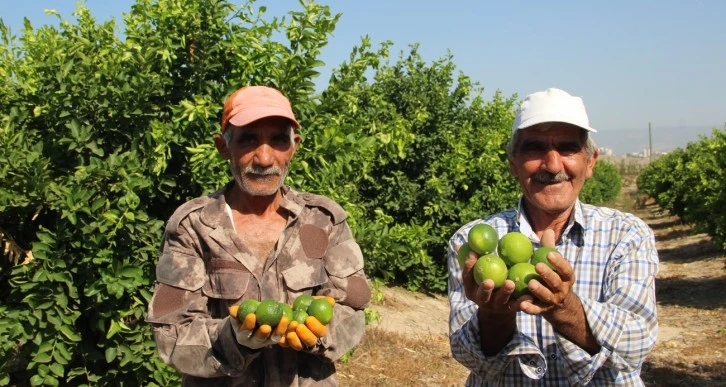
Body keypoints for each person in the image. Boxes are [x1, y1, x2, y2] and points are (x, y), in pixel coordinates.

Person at [147, 85, 371, 386]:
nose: (264, 159)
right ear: (223, 147)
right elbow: (171, 333)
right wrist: (235, 339)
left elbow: (353, 308)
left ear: (294, 146)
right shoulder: (194, 226)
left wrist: (319, 334)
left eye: (278, 140)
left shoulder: (322, 220)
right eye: (248, 140)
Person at [448, 88, 659, 385]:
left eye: (568, 148)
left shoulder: (627, 235)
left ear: (591, 162)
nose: (553, 165)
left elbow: (636, 345)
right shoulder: (472, 241)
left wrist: (563, 307)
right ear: (512, 163)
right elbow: (466, 356)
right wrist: (495, 316)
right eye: (534, 148)